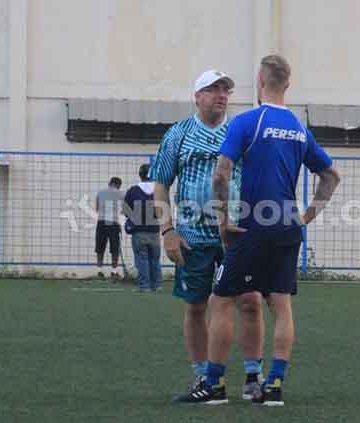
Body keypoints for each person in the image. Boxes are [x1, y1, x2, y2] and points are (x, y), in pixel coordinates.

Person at [180, 55, 341, 405]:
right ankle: (273, 387)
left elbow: (221, 174)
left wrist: (224, 221)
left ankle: (214, 385)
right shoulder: (299, 129)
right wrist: (306, 217)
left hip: (252, 226)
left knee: (220, 301)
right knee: (280, 305)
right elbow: (331, 176)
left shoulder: (247, 122)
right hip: (286, 226)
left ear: (259, 81)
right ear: (287, 83)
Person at [150, 69, 265, 401]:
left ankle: (252, 376)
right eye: (213, 89)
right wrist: (168, 231)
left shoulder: (241, 131)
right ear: (197, 96)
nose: (221, 95)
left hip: (239, 234)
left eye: (226, 89)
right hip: (192, 237)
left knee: (251, 302)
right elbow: (160, 182)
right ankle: (204, 378)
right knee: (196, 306)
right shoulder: (179, 134)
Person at [123, 164, 162, 292]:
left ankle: (144, 286)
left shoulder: (133, 190)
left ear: (140, 175)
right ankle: (157, 285)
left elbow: (125, 210)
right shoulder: (159, 190)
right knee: (155, 259)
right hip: (154, 230)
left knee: (141, 259)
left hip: (139, 230)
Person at [95, 177, 125, 280]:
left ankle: (99, 271)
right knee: (115, 248)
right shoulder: (120, 193)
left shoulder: (100, 192)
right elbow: (126, 207)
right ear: (118, 184)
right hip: (113, 223)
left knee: (100, 247)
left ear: (110, 183)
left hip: (101, 222)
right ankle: (114, 272)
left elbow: (97, 208)